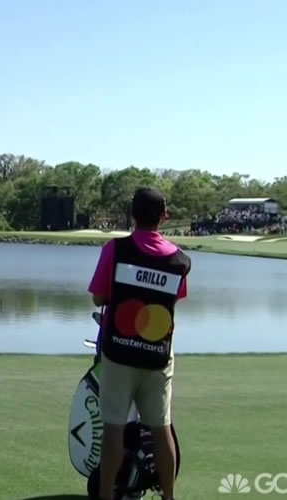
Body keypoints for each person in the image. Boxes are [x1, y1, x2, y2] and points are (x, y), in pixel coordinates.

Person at [87, 188, 190, 500]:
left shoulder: (115, 249)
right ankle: (169, 497)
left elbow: (99, 297)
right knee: (161, 428)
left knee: (114, 427)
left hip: (118, 351)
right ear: (164, 217)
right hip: (157, 353)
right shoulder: (180, 259)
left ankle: (106, 496)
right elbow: (175, 298)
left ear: (132, 215)